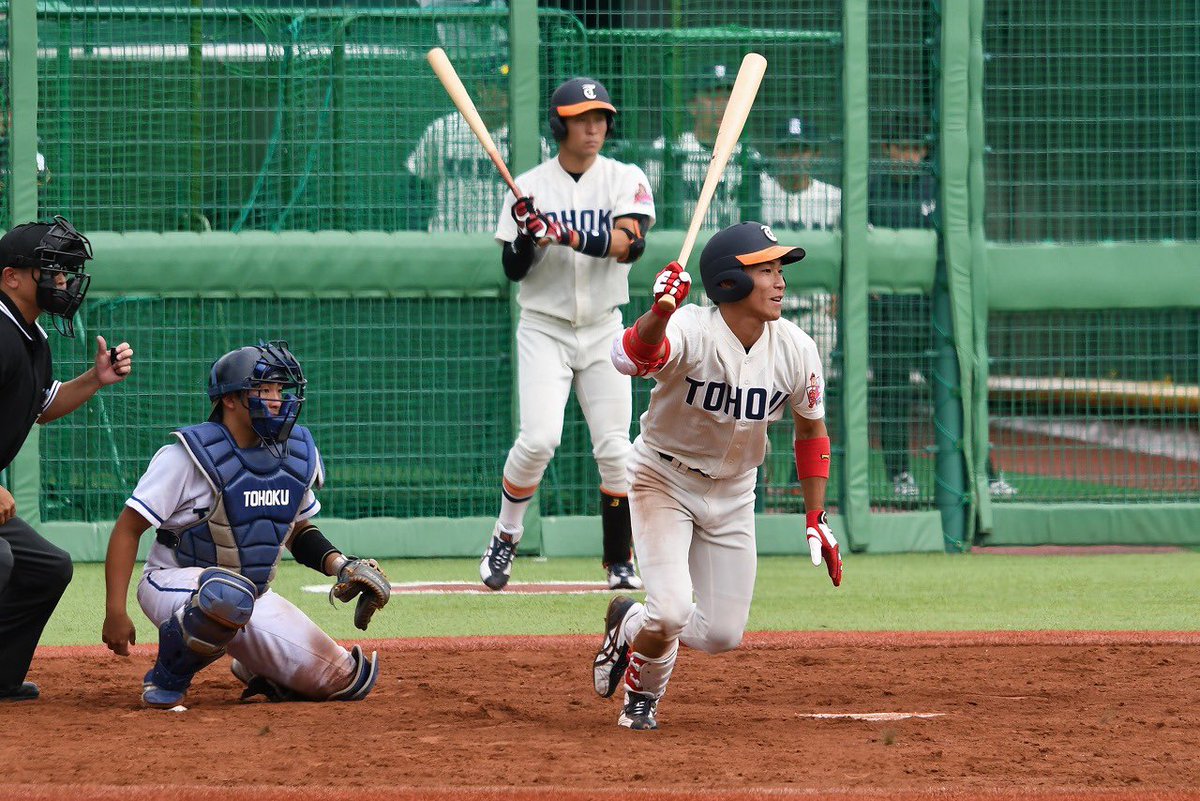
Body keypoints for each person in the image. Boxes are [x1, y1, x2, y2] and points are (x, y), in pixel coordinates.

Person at [591, 222, 843, 730]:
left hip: (733, 493)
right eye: (766, 269)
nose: (780, 282)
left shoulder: (795, 347)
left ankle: (627, 622)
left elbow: (811, 430)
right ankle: (643, 697)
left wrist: (815, 514)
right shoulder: (690, 328)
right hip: (664, 480)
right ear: (729, 280)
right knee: (671, 610)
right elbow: (629, 358)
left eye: (780, 270)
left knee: (723, 633)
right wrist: (659, 313)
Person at [101, 341, 391, 708]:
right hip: (174, 581)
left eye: (280, 390)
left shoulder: (296, 453)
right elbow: (128, 528)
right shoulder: (186, 457)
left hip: (252, 596)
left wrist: (341, 565)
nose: (276, 399)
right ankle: (166, 680)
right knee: (225, 596)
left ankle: (258, 666)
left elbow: (297, 530)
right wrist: (115, 609)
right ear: (230, 399)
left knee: (346, 680)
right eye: (263, 390)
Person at [480, 76, 656, 592]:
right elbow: (514, 269)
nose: (594, 128)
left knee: (615, 449)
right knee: (539, 440)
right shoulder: (529, 185)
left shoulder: (624, 177)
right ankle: (505, 535)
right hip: (544, 327)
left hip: (604, 328)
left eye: (600, 118)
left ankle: (618, 558)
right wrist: (529, 237)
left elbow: (630, 244)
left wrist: (565, 234)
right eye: (582, 119)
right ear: (560, 124)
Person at [0, 215, 132, 702]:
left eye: (64, 271)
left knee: (46, 567)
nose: (62, 281)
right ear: (11, 276)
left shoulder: (31, 336)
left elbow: (41, 406)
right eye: (50, 270)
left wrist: (94, 378)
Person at [868, 113, 1015, 500]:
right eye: (900, 148)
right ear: (886, 150)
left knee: (953, 393)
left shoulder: (938, 190)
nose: (908, 156)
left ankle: (984, 473)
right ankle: (900, 476)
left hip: (934, 316)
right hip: (887, 320)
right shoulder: (870, 192)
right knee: (892, 397)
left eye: (916, 148)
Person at [407, 57, 549, 232]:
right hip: (446, 240)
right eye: (501, 85)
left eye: (511, 86)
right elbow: (417, 184)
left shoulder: (531, 143)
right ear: (481, 88)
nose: (507, 92)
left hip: (501, 243)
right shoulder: (443, 130)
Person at [761, 115, 840, 360]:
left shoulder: (833, 197)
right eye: (786, 149)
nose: (794, 157)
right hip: (766, 315)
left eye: (802, 149)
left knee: (812, 396)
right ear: (775, 153)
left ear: (815, 154)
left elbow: (857, 248)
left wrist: (840, 295)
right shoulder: (758, 191)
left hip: (818, 316)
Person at [646, 64, 760, 229]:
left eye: (729, 97)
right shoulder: (669, 148)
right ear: (692, 106)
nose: (722, 105)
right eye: (713, 96)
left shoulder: (747, 156)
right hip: (680, 245)